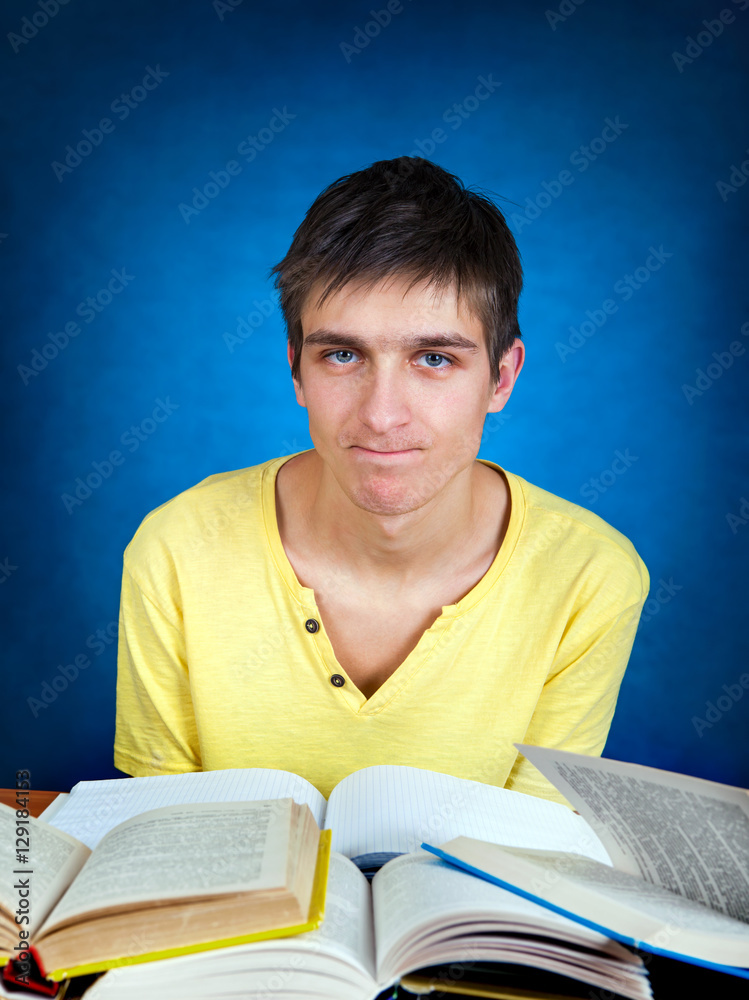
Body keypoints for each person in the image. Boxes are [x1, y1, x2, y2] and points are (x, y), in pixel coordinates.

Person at [114, 156, 649, 804]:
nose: (381, 414)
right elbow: (158, 835)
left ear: (501, 379)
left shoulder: (589, 576)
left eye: (433, 358)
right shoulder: (176, 548)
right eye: (342, 355)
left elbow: (528, 857)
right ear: (296, 372)